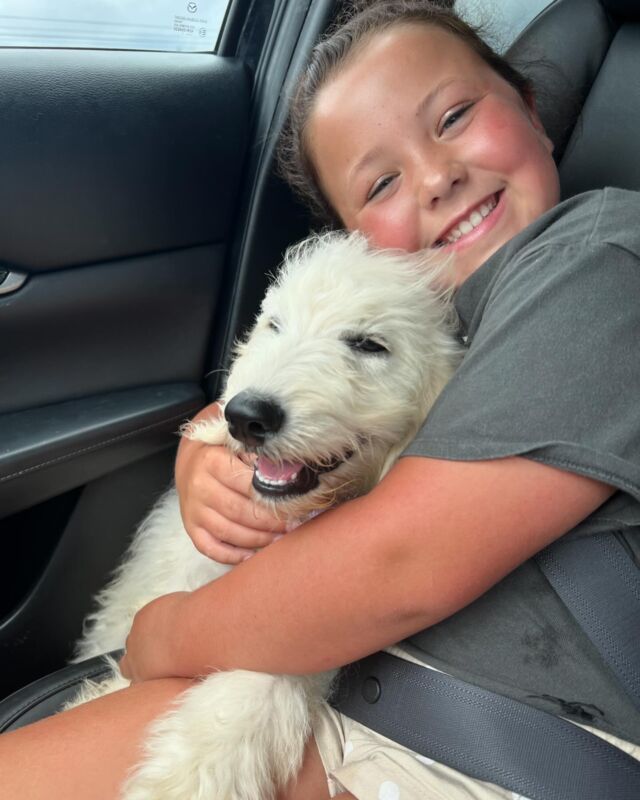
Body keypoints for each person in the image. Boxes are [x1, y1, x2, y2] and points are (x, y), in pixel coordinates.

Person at [2, 1, 639, 798]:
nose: (437, 176)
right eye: (381, 182)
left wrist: (164, 636)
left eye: (455, 116)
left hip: (473, 743)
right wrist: (209, 441)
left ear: (534, 109)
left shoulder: (599, 259)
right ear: (357, 235)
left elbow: (399, 563)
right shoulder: (443, 309)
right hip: (375, 697)